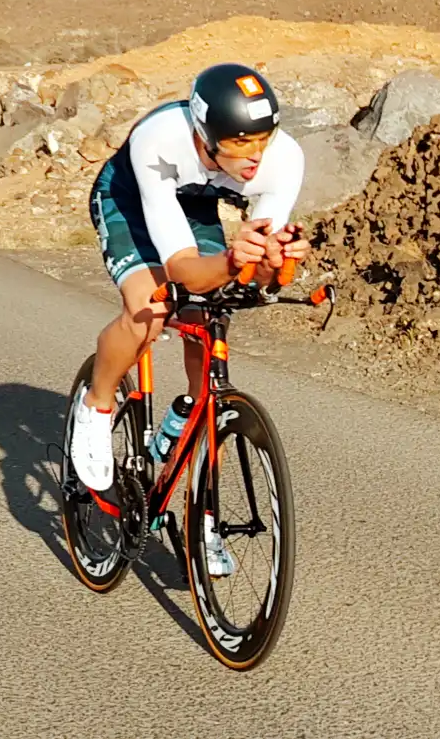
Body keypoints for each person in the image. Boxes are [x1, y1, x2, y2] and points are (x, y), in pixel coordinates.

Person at [68, 62, 309, 575]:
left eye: (263, 139)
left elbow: (262, 277)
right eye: (241, 143)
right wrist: (229, 261)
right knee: (152, 308)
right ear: (204, 132)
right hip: (132, 199)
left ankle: (203, 517)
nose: (255, 156)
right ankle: (97, 405)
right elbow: (181, 269)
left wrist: (277, 262)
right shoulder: (160, 138)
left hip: (196, 207)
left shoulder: (282, 158)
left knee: (208, 322)